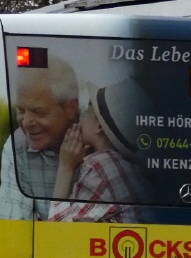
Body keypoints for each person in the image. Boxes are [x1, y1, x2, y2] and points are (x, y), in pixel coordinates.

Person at [46, 80, 147, 223]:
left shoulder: (99, 167)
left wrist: (65, 167)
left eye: (87, 110)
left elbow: (58, 229)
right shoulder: (129, 166)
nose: (81, 117)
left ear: (99, 125)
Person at [0, 55, 79, 219]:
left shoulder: (99, 138)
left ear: (71, 108)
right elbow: (13, 227)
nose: (26, 123)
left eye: (39, 112)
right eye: (21, 110)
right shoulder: (17, 146)